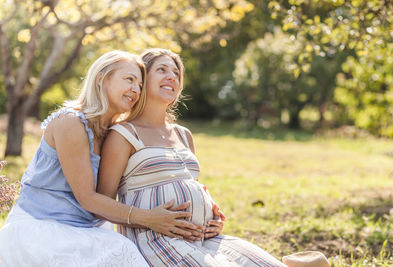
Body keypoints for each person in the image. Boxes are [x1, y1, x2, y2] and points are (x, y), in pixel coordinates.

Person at [0, 50, 198, 266]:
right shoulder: (70, 123)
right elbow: (87, 198)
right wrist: (150, 218)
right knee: (122, 252)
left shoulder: (115, 133)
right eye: (129, 80)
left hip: (87, 228)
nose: (135, 89)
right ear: (102, 79)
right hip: (43, 226)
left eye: (140, 85)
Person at [97, 48, 287, 267]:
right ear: (142, 78)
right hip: (155, 240)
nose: (172, 76)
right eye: (162, 69)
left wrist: (212, 214)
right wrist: (149, 218)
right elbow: (102, 202)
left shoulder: (183, 134)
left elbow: (190, 186)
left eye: (176, 73)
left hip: (205, 238)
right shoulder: (123, 134)